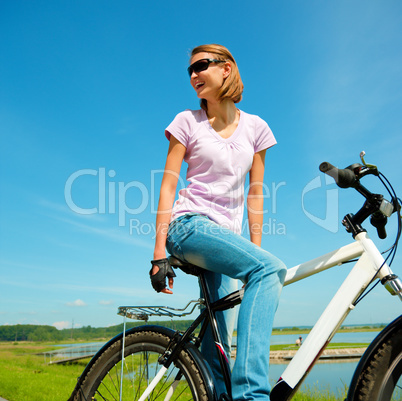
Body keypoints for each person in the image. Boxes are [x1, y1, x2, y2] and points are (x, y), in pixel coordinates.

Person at [150, 44, 287, 401]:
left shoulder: (256, 128)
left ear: (226, 69)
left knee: (218, 339)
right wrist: (158, 252)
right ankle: (253, 396)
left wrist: (253, 252)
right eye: (190, 70)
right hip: (189, 227)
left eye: (201, 66)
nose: (194, 74)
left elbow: (255, 194)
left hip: (225, 239)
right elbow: (168, 186)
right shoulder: (187, 121)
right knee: (271, 271)